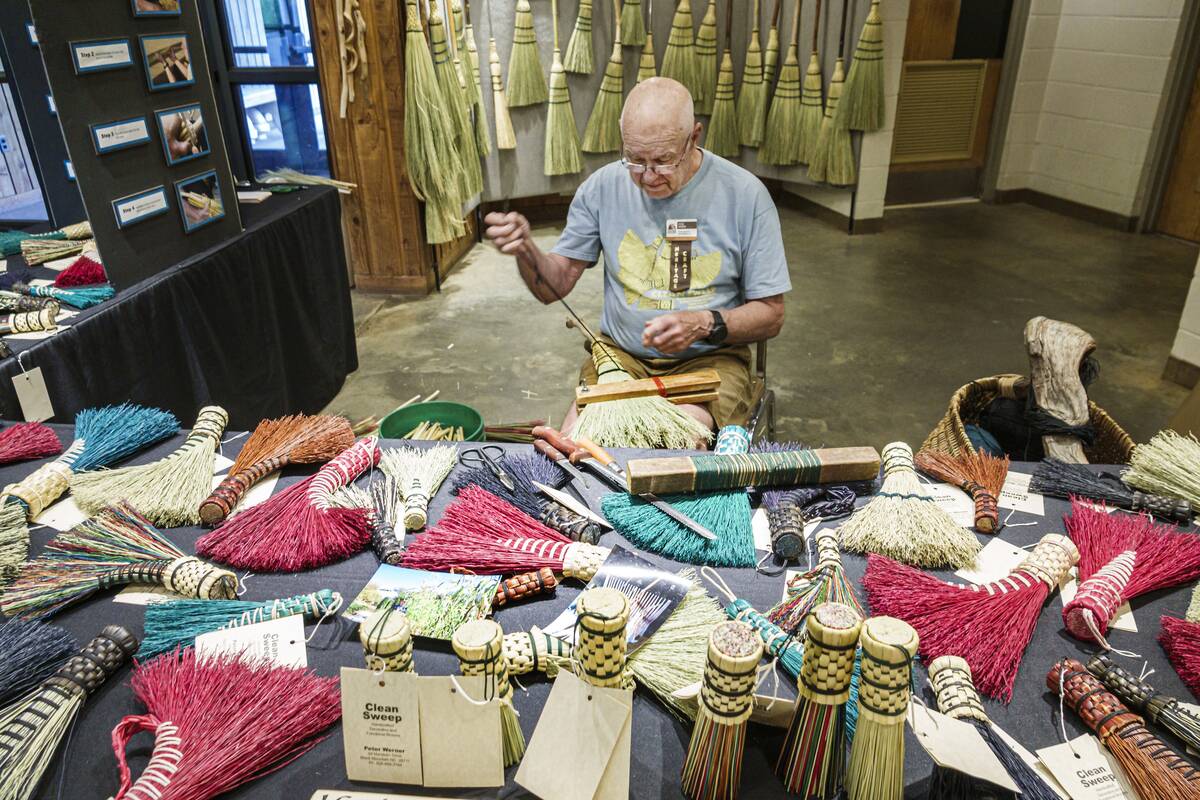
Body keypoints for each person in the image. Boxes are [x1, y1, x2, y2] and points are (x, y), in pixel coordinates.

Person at [484, 77, 790, 444]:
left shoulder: (744, 195)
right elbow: (555, 286)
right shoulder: (601, 188)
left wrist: (703, 323)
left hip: (710, 360)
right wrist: (527, 251)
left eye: (662, 161)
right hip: (621, 357)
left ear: (695, 137)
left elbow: (771, 314)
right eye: (635, 159)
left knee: (673, 442)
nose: (647, 177)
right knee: (578, 443)